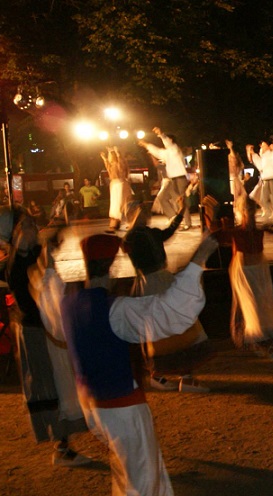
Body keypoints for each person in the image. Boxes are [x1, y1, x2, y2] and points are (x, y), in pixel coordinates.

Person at [53, 232, 218, 496]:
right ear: (115, 265)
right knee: (142, 479)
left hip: (93, 406)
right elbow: (169, 310)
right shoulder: (115, 310)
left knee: (130, 470)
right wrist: (198, 260)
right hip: (122, 406)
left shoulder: (68, 303)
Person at [7, 216, 91, 467]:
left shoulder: (34, 253)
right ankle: (60, 446)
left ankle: (64, 445)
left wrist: (60, 233)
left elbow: (46, 252)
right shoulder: (14, 263)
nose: (31, 232)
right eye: (25, 229)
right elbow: (27, 292)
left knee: (60, 382)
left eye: (33, 228)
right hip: (34, 331)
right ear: (16, 234)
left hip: (47, 328)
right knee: (47, 383)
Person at [121, 199, 211, 393]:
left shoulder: (144, 234)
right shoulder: (134, 237)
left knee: (163, 328)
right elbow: (131, 241)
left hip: (154, 282)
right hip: (153, 283)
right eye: (144, 211)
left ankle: (165, 376)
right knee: (172, 326)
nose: (148, 214)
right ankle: (178, 377)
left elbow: (168, 231)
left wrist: (180, 211)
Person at [216, 197, 273, 356]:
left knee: (260, 303)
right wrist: (213, 218)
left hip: (256, 269)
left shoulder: (253, 230)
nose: (248, 212)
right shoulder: (238, 231)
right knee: (253, 303)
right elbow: (219, 237)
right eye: (246, 209)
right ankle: (257, 340)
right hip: (246, 269)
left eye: (250, 210)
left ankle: (259, 340)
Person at [140, 127, 192, 230]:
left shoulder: (174, 149)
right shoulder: (167, 152)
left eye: (166, 139)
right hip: (172, 179)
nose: (164, 142)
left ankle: (187, 223)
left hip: (180, 178)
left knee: (180, 200)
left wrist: (161, 134)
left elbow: (166, 143)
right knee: (162, 198)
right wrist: (146, 145)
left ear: (171, 140)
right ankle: (174, 219)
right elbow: (158, 152)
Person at [247, 140, 273, 226]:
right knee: (263, 199)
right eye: (261, 146)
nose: (262, 147)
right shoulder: (263, 156)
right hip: (265, 178)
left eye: (263, 145)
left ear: (268, 146)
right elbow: (260, 166)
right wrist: (253, 154)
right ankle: (269, 217)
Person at [101, 146, 132, 232]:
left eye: (111, 155)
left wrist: (117, 153)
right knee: (115, 205)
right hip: (114, 185)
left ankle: (130, 223)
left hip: (120, 184)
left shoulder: (119, 163)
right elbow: (107, 165)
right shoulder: (111, 165)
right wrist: (104, 157)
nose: (109, 156)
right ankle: (115, 224)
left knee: (123, 204)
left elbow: (122, 168)